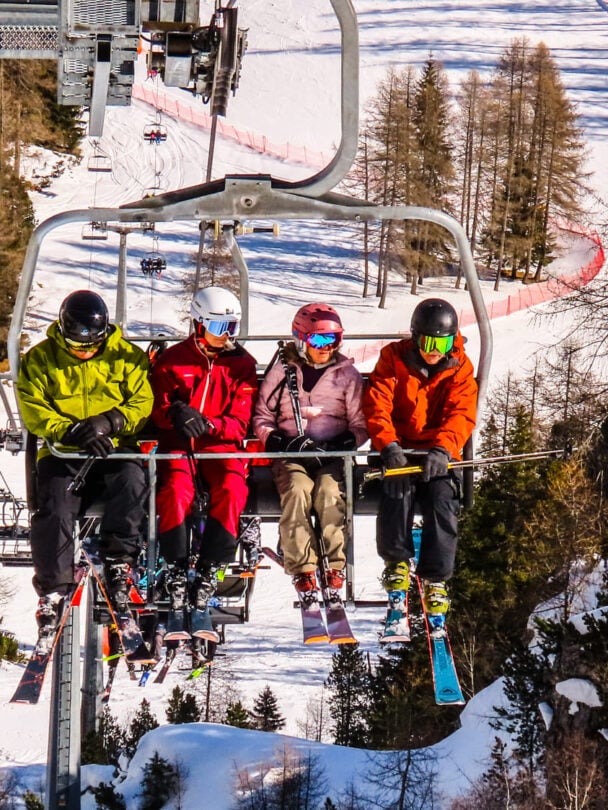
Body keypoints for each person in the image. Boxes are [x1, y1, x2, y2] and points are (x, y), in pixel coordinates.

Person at [16, 290, 154, 639]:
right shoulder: (41, 360)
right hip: (64, 452)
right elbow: (33, 408)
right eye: (77, 345)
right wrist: (71, 431)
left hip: (113, 449)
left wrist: (110, 422)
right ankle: (53, 587)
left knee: (132, 483)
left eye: (92, 344)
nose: (85, 351)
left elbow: (142, 402)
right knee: (55, 506)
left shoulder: (127, 358)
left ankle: (119, 562)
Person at [362, 297, 477, 620]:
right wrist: (388, 446)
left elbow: (461, 413)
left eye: (442, 344)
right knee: (397, 490)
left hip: (436, 454)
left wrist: (444, 449)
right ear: (415, 337)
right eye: (428, 343)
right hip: (398, 450)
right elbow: (377, 404)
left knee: (442, 498)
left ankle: (435, 577)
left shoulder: (460, 368)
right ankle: (396, 561)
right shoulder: (393, 358)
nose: (434, 351)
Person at [150, 286, 258, 612]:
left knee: (232, 487)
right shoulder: (172, 361)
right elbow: (157, 409)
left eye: (232, 327)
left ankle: (212, 567)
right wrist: (175, 414)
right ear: (199, 324)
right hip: (180, 445)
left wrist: (210, 425)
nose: (227, 336)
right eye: (219, 327)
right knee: (174, 490)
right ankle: (176, 567)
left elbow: (240, 421)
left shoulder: (241, 365)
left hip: (220, 447)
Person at [253, 303, 368, 595]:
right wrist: (279, 442)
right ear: (301, 340)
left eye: (333, 340)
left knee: (330, 492)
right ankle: (303, 567)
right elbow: (262, 417)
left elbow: (360, 424)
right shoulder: (282, 373)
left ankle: (334, 565)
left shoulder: (347, 375)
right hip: (292, 455)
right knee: (297, 489)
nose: (326, 347)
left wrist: (342, 443)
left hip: (331, 456)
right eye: (318, 340)